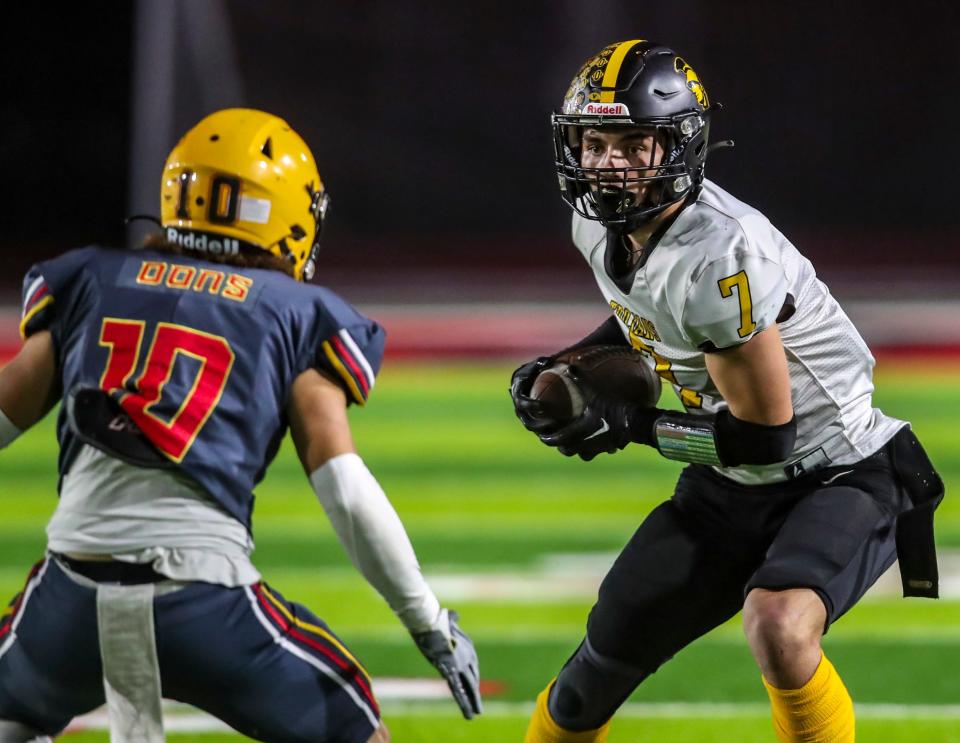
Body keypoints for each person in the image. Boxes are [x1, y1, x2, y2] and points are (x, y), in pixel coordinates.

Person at [0, 108, 481, 743]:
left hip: (66, 605)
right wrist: (426, 620)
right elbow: (344, 486)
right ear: (283, 212)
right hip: (204, 604)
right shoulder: (294, 310)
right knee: (357, 729)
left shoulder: (92, 278)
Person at [512, 40, 943, 743]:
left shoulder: (720, 252)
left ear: (677, 146)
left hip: (838, 469)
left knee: (778, 625)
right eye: (594, 141)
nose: (607, 161)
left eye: (631, 143)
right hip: (730, 481)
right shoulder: (595, 222)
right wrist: (565, 364)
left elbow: (765, 432)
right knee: (594, 667)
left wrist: (633, 424)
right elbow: (641, 316)